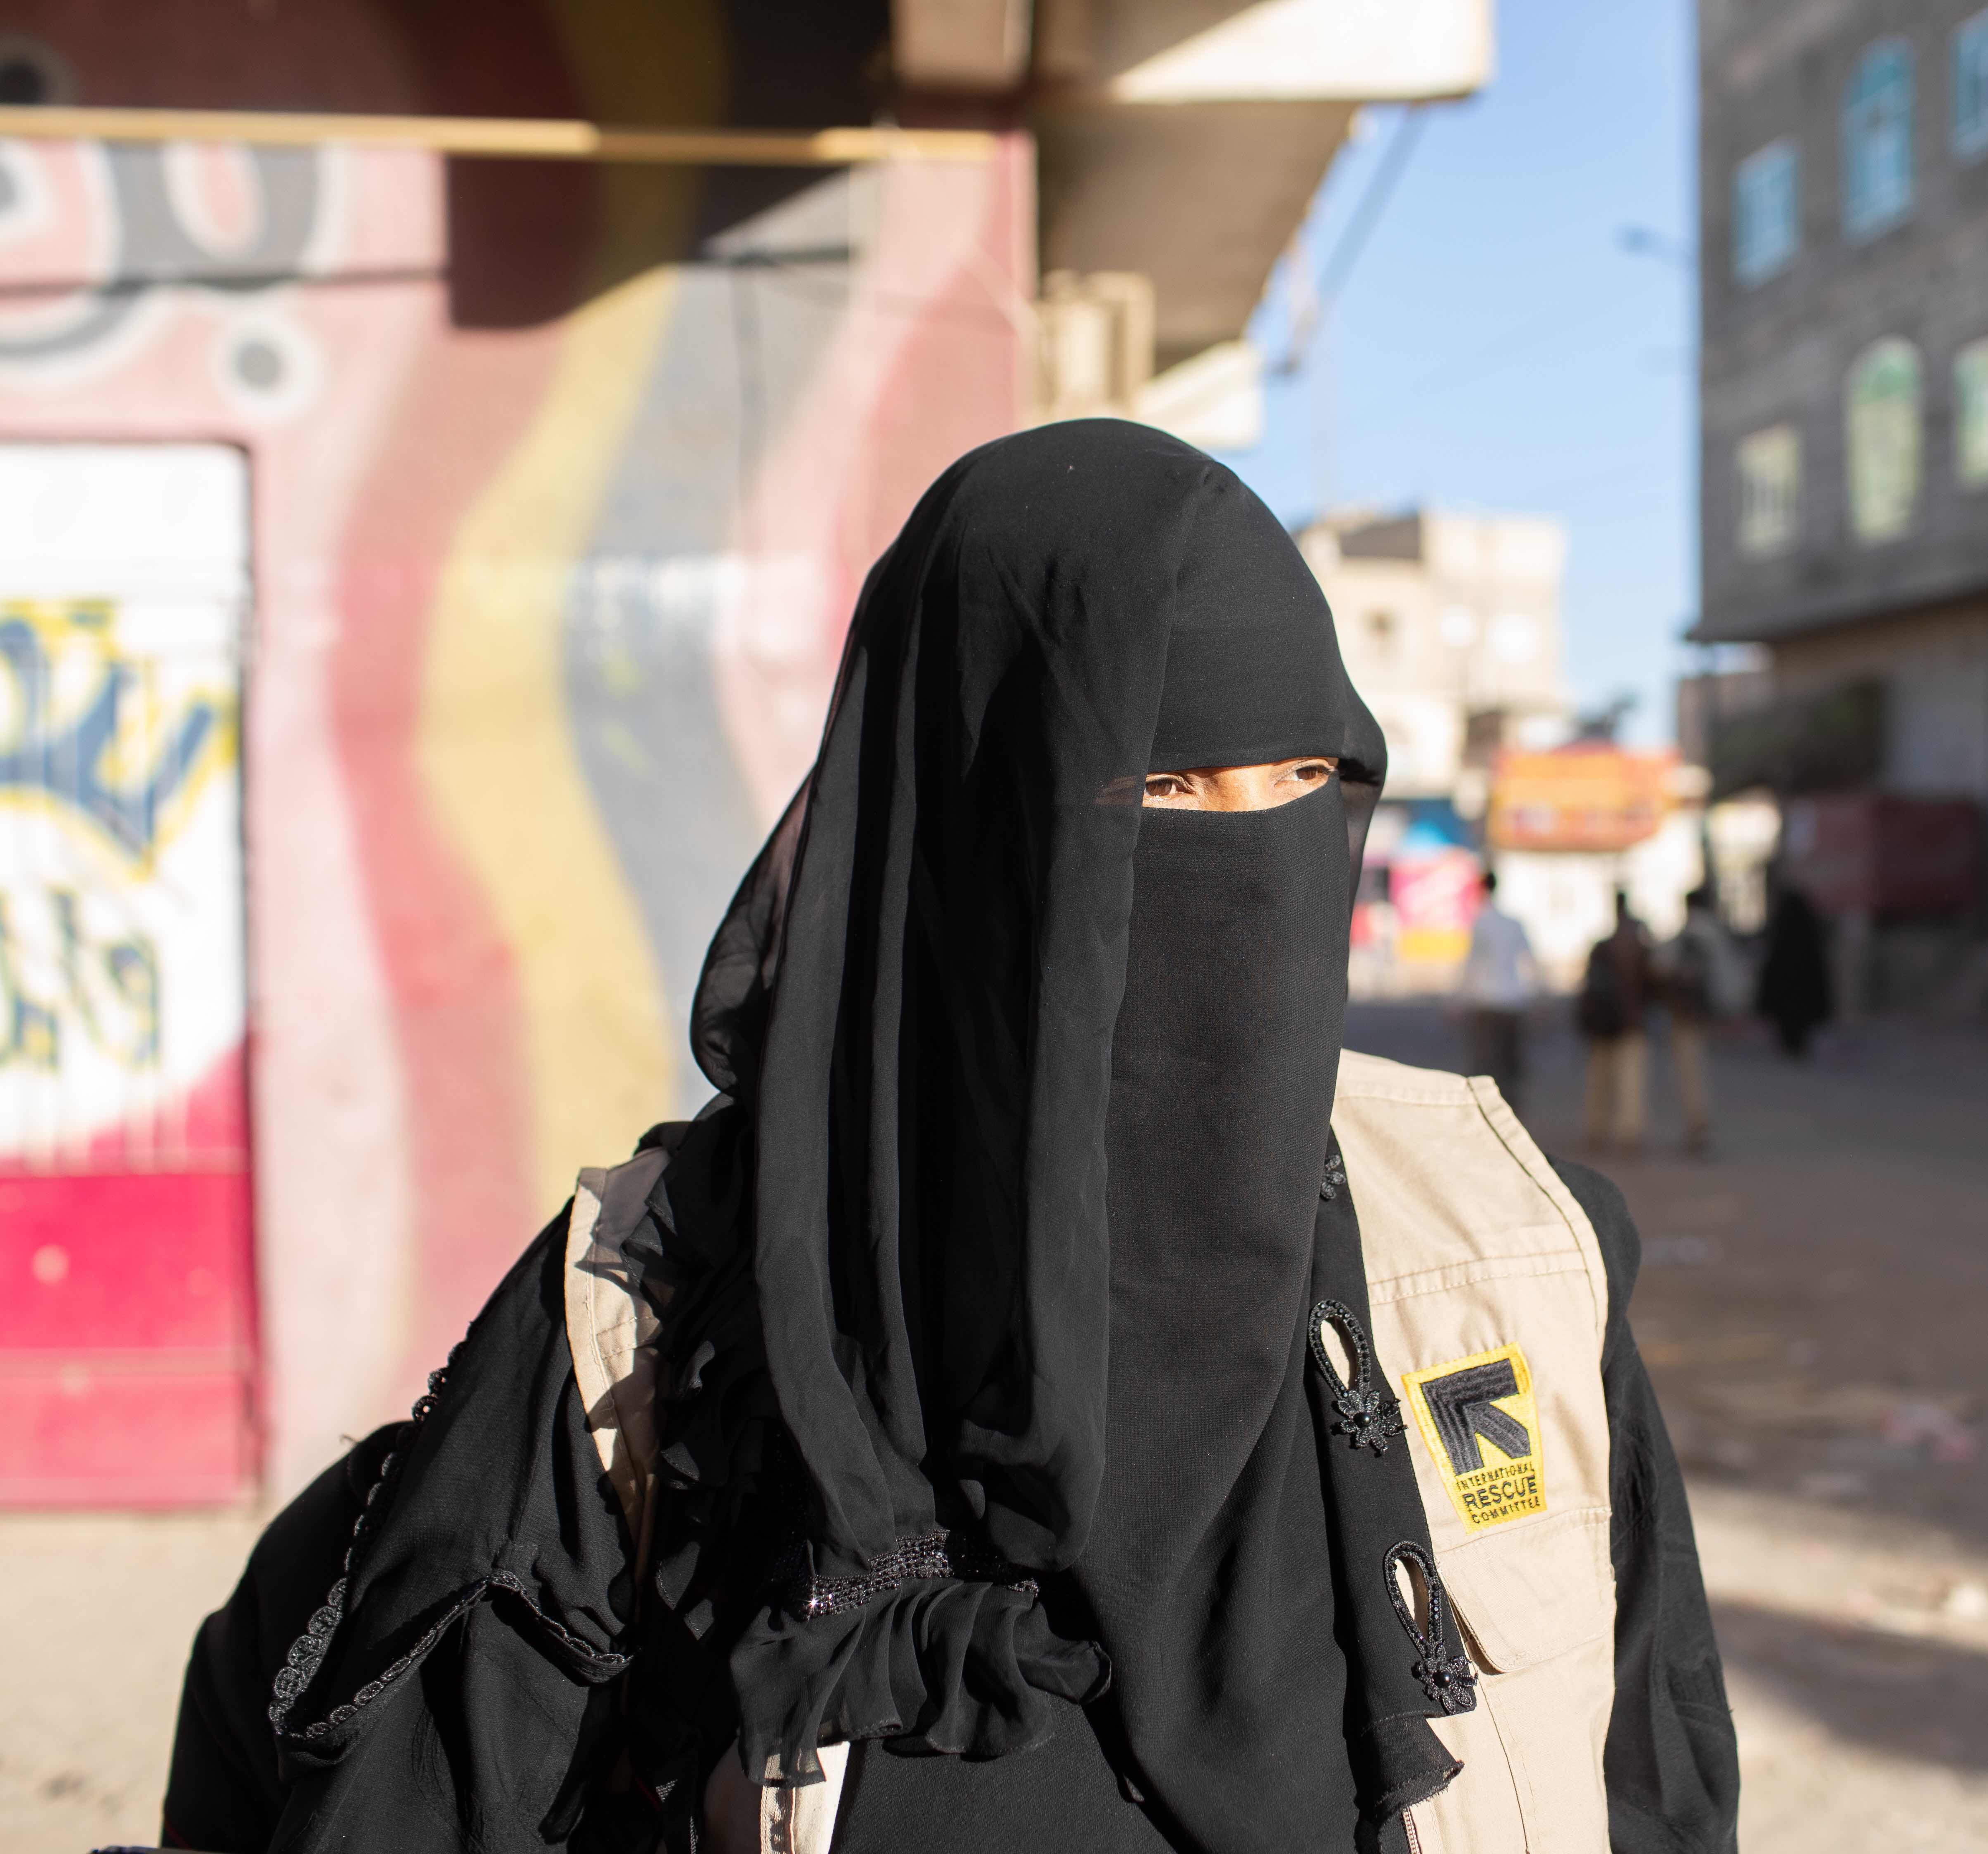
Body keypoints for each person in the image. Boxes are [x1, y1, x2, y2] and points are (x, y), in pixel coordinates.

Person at [161, 423, 1736, 1854]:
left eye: (1300, 784)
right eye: (1164, 786)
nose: (1248, 864)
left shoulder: (1505, 1255)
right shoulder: (665, 1323)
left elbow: (1652, 1785)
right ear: (965, 824)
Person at [1658, 887, 1736, 1157]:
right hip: (1708, 1012)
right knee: (1698, 1067)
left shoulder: (1690, 935)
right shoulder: (1716, 932)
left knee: (1690, 1070)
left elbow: (1664, 966)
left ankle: (1698, 1126)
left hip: (1688, 1013)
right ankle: (1700, 1124)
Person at [1576, 891, 1655, 1154]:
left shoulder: (1604, 947)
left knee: (1601, 1080)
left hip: (1604, 1025)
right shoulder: (1640, 948)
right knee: (1630, 1081)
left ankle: (1597, 1129)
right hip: (1630, 1023)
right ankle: (1628, 1132)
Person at [1457, 867, 1538, 1106]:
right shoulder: (1512, 923)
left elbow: (1471, 964)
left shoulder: (1481, 922)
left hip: (1485, 1000)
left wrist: (1459, 999)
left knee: (1485, 1059)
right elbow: (1531, 961)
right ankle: (1510, 1103)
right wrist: (1537, 998)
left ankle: (1485, 1104)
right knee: (1509, 1058)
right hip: (1512, 1000)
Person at [1755, 878, 1831, 1061]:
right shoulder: (1809, 936)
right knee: (1799, 1033)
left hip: (1786, 1001)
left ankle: (1792, 1051)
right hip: (1804, 998)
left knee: (1790, 1031)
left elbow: (1771, 971)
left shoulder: (1781, 937)